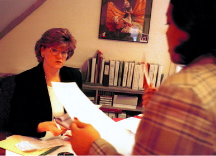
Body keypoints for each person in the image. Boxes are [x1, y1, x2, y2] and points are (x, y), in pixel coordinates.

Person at [69, 0, 216, 155]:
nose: (166, 33)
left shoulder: (184, 89)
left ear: (190, 26)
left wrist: (91, 146)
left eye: (168, 23)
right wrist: (161, 108)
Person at [8, 28, 82, 139]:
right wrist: (42, 126)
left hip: (66, 140)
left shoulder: (74, 76)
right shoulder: (26, 80)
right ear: (42, 50)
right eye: (54, 50)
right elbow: (15, 123)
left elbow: (79, 111)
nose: (59, 56)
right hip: (36, 140)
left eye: (63, 52)